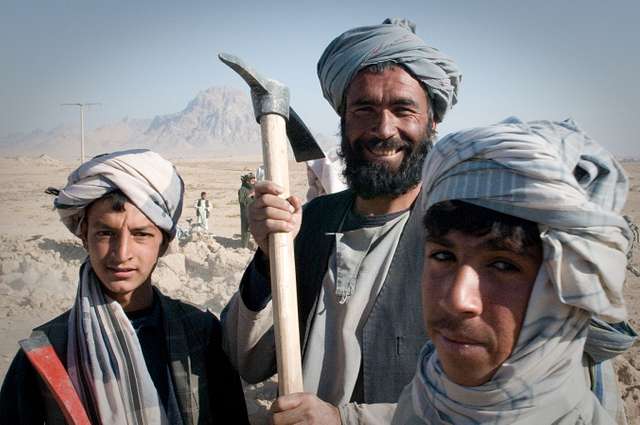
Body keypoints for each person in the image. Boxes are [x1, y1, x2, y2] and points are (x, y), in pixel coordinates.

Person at [222, 18, 462, 424]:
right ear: (343, 119)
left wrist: (344, 420)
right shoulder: (310, 224)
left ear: (432, 121)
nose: (383, 129)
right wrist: (267, 259)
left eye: (403, 109)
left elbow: (487, 401)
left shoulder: (459, 238)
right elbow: (247, 361)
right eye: (364, 109)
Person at [392, 118, 636, 424]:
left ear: (564, 287)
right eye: (443, 256)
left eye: (503, 265)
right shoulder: (422, 397)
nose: (457, 300)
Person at [0, 149, 249, 424]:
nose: (121, 254)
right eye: (106, 233)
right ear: (84, 237)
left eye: (141, 234)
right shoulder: (46, 350)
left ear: (163, 243)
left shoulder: (200, 332)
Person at [238, 173, 256, 248]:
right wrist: (250, 195)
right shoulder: (242, 189)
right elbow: (242, 201)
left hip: (254, 211)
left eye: (254, 180)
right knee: (245, 230)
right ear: (247, 181)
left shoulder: (253, 188)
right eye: (252, 181)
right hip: (245, 212)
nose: (254, 182)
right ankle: (244, 246)